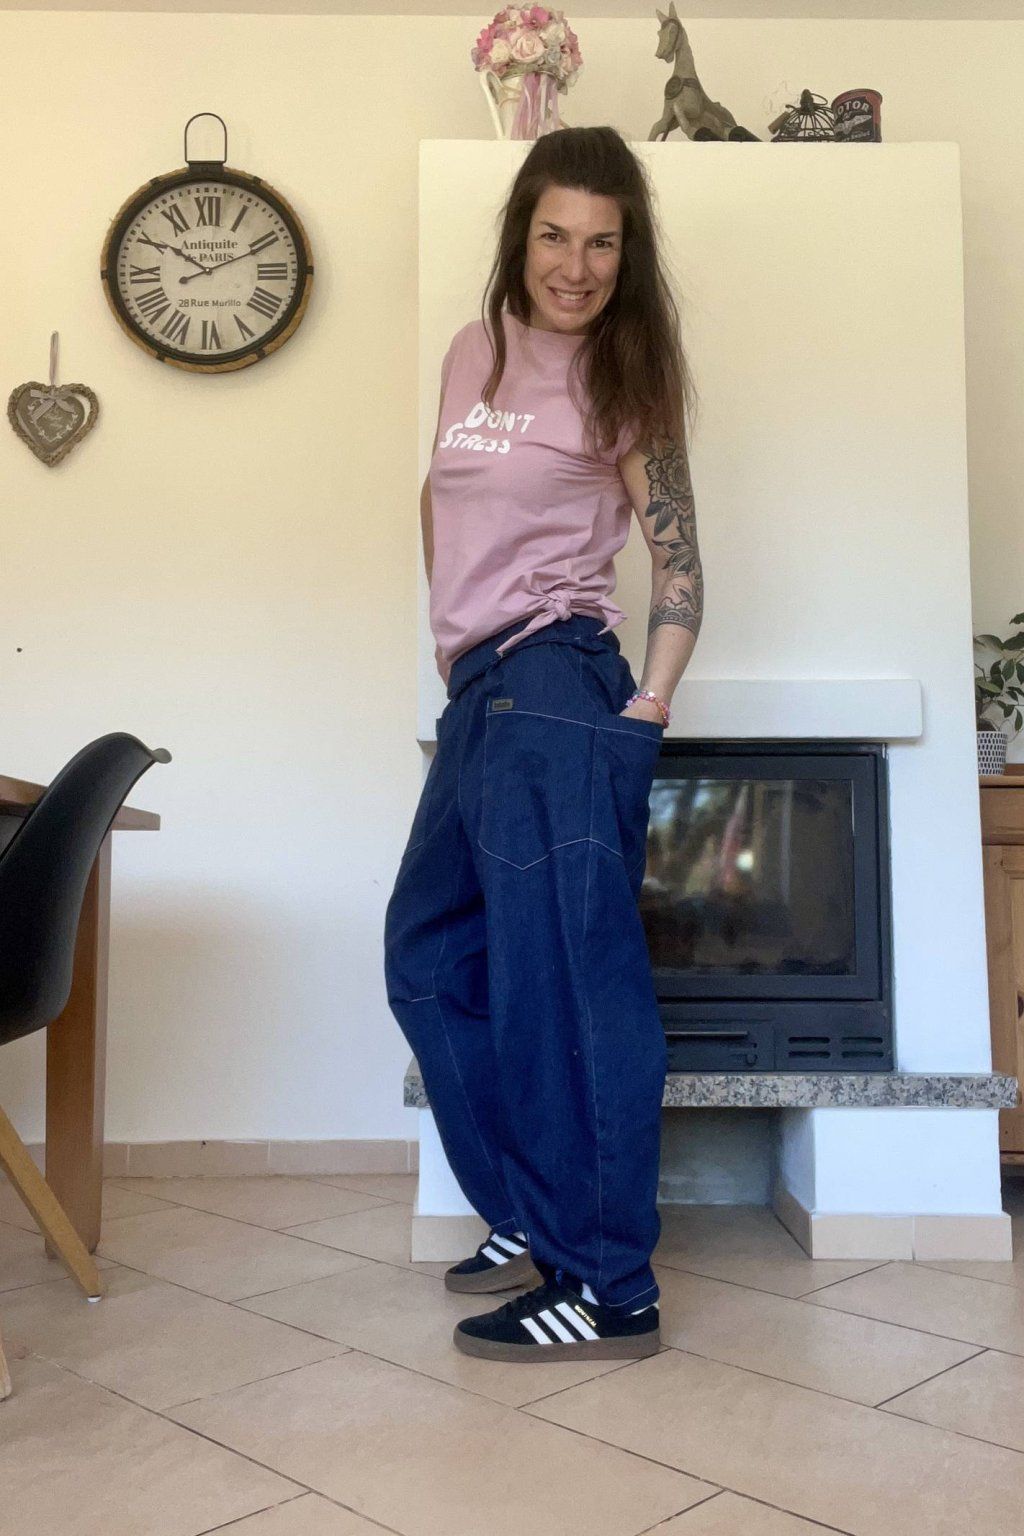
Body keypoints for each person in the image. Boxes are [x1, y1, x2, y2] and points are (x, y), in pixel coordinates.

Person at [384, 125, 702, 1363]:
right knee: (429, 959)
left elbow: (678, 560)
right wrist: (452, 648)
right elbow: (439, 494)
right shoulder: (473, 352)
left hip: (563, 684)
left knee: (566, 988)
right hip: (484, 694)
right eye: (555, 236)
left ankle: (608, 1284)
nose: (576, 266)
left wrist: (649, 707)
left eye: (603, 244)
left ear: (629, 253)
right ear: (520, 235)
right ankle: (528, 1209)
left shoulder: (627, 381)